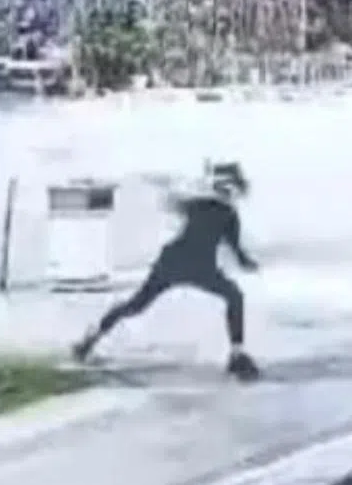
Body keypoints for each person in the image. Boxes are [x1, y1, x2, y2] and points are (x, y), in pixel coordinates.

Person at [71, 163, 261, 381]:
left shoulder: (199, 204)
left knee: (135, 306)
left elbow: (174, 202)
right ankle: (237, 356)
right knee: (234, 296)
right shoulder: (226, 213)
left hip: (172, 262)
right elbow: (238, 253)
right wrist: (250, 264)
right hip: (199, 268)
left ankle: (90, 340)